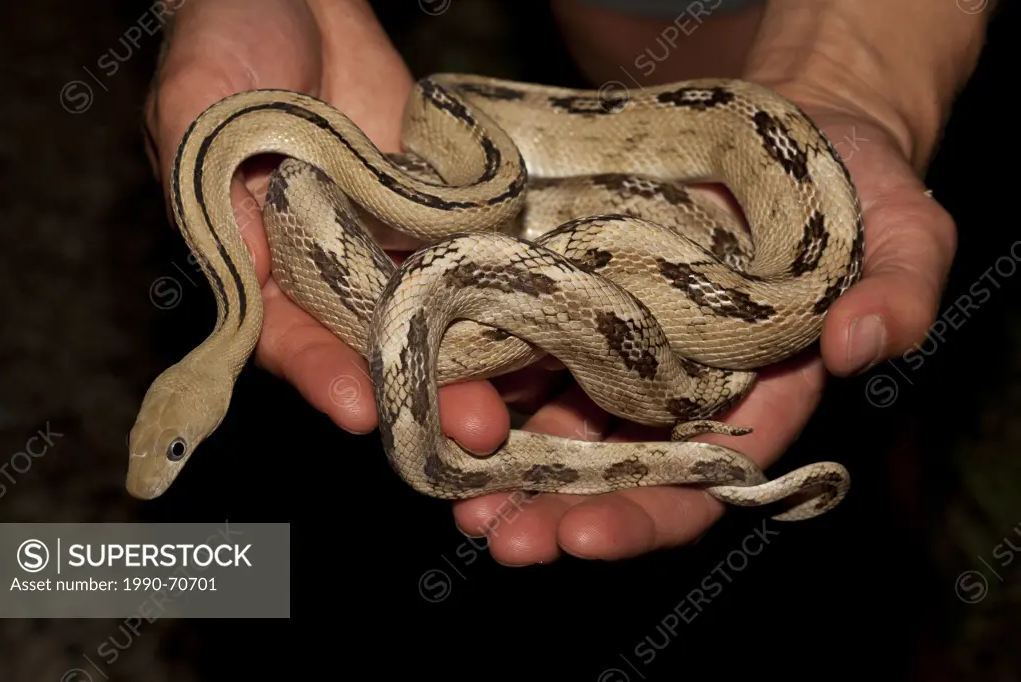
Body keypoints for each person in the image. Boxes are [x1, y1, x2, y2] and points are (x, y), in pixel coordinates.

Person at [143, 0, 989, 565]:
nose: (172, 465)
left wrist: (859, 76)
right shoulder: (301, 181)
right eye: (178, 448)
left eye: (177, 447)